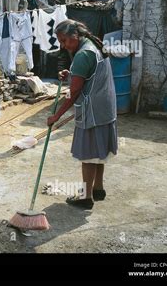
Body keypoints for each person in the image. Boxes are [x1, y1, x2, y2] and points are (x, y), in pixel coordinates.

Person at [47, 19, 118, 209]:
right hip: (106, 107)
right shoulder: (93, 44)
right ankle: (98, 188)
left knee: (88, 155)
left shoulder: (83, 54)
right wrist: (70, 74)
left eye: (65, 40)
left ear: (75, 36)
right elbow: (88, 74)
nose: (64, 45)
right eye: (61, 42)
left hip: (92, 110)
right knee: (99, 151)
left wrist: (56, 116)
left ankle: (86, 197)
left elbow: (74, 92)